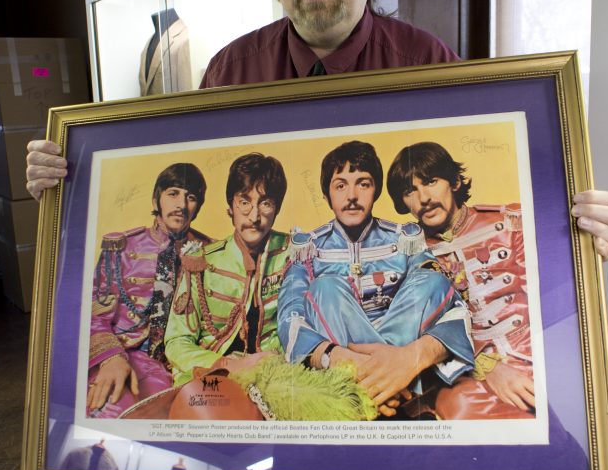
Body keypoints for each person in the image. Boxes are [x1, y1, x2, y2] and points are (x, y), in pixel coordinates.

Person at [25, 0, 608, 258]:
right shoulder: (229, 71)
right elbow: (164, 183)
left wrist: (568, 220)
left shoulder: (429, 65)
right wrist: (70, 178)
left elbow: (475, 194)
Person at [278, 140, 474, 416]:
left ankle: (384, 390)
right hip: (339, 363)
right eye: (341, 185)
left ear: (376, 191)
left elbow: (451, 304)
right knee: (326, 287)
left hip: (402, 360)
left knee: (433, 282)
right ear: (326, 195)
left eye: (363, 183)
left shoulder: (404, 238)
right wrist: (335, 356)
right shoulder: (308, 247)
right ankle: (388, 394)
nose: (352, 196)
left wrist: (406, 360)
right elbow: (290, 316)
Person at [386, 142, 535, 417]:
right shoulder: (406, 255)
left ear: (454, 181)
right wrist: (489, 367)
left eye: (431, 181)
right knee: (458, 408)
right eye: (410, 191)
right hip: (467, 375)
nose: (424, 198)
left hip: (536, 357)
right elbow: (415, 334)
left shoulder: (512, 222)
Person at [87, 163, 213, 417]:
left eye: (191, 197)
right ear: (157, 197)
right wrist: (111, 358)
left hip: (180, 362)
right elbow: (93, 314)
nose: (181, 204)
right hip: (124, 353)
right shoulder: (121, 246)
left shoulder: (210, 251)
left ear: (198, 207)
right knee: (109, 412)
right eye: (173, 193)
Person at [164, 153, 290, 385]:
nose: (254, 216)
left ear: (276, 209)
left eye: (265, 203)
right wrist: (227, 366)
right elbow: (177, 341)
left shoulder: (294, 254)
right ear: (230, 207)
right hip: (212, 374)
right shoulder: (201, 261)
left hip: (275, 373)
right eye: (244, 202)